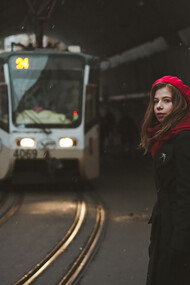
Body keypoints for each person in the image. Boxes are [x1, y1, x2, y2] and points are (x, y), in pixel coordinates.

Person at [140, 75, 190, 285]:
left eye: (166, 101)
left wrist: (180, 242)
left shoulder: (183, 137)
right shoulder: (163, 137)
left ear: (178, 103)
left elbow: (186, 193)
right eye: (156, 101)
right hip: (165, 225)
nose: (159, 107)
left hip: (177, 230)